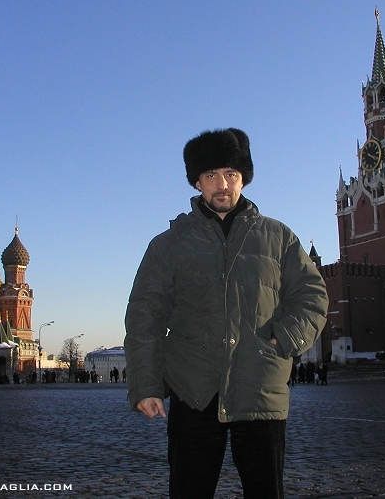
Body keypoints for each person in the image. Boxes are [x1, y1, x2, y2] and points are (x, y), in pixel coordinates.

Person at [124, 128, 329, 499]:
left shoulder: (278, 237)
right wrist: (146, 384)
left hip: (260, 389)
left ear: (243, 179)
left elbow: (312, 296)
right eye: (212, 175)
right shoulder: (169, 244)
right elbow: (144, 317)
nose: (223, 184)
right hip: (194, 391)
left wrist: (284, 338)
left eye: (231, 174)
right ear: (198, 182)